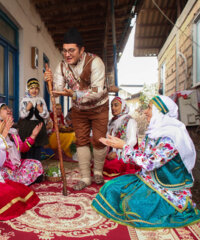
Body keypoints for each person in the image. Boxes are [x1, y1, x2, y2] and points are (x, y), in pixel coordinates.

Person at [92, 96, 200, 228]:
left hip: (166, 188)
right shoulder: (153, 133)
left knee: (133, 205)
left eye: (149, 108)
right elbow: (141, 156)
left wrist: (124, 147)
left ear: (160, 112)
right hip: (147, 178)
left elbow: (149, 163)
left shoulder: (171, 137)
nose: (145, 111)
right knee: (111, 188)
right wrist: (119, 146)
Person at [44, 28, 108, 190]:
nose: (67, 54)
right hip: (79, 109)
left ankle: (98, 172)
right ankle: (85, 178)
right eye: (64, 51)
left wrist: (74, 93)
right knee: (81, 141)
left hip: (99, 107)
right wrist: (48, 82)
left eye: (71, 50)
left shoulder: (95, 62)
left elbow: (97, 90)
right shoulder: (61, 66)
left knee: (99, 140)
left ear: (82, 50)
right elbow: (57, 92)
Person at [0, 103, 44, 185]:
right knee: (2, 174)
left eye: (9, 108)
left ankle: (17, 181)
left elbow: (23, 148)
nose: (9, 110)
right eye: (5, 108)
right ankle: (17, 182)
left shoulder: (12, 132)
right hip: (3, 168)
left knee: (37, 164)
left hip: (16, 167)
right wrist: (5, 132)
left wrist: (33, 136)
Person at [103, 97, 140, 178]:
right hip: (113, 151)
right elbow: (109, 137)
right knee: (99, 162)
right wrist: (109, 152)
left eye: (116, 105)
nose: (113, 108)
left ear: (123, 106)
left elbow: (132, 140)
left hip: (125, 152)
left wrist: (117, 153)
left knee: (112, 167)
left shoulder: (129, 120)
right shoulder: (112, 121)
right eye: (111, 105)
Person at [18, 78, 49, 160]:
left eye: (36, 88)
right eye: (32, 88)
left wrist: (41, 110)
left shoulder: (41, 100)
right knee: (28, 147)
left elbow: (46, 115)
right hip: (26, 127)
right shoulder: (24, 101)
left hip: (38, 126)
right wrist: (27, 108)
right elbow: (22, 115)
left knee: (37, 148)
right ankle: (27, 167)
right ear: (27, 89)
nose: (34, 90)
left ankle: (36, 167)